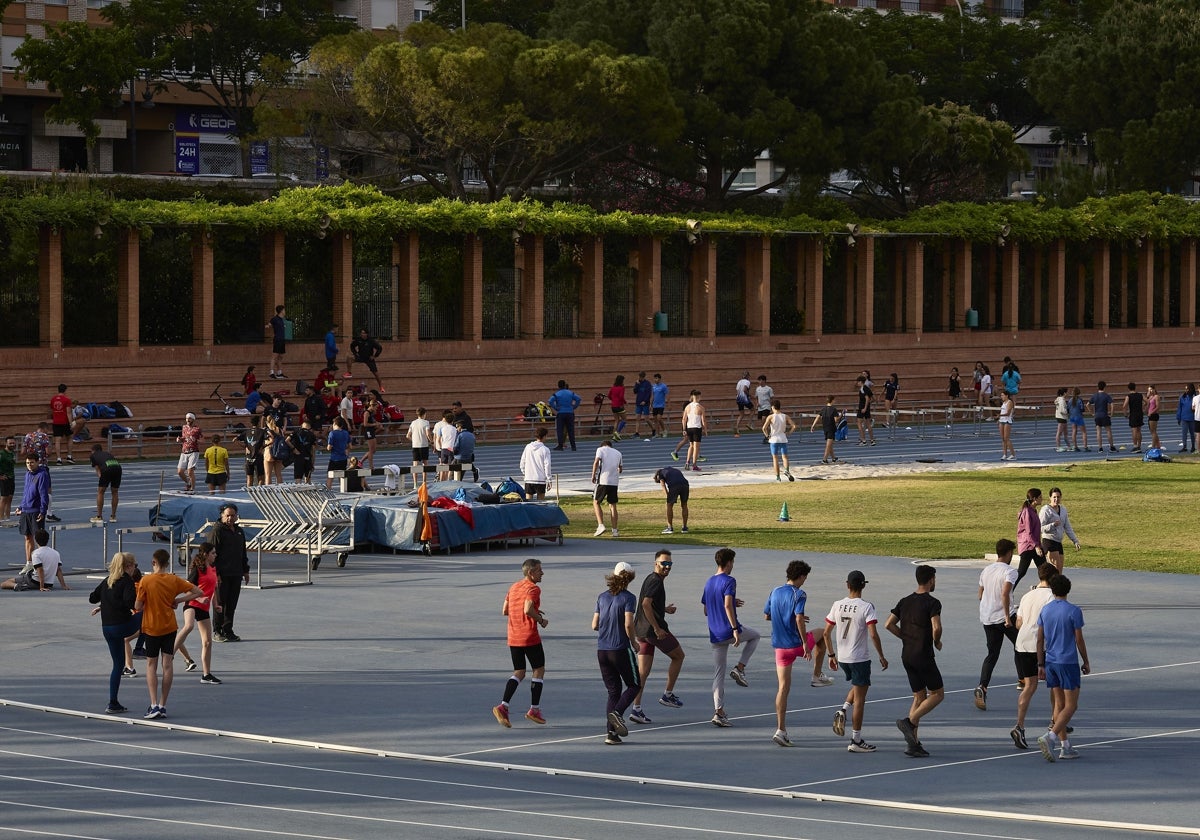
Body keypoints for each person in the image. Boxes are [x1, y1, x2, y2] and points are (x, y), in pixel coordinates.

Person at [763, 560, 831, 748]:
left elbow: (767, 615)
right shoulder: (799, 594)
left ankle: (780, 730)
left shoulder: (775, 591)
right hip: (795, 644)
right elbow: (800, 618)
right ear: (800, 576)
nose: (805, 581)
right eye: (805, 577)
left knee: (783, 688)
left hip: (780, 648)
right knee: (822, 634)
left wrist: (789, 618)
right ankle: (817, 675)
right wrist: (804, 644)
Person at [135, 549, 204, 719]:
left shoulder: (146, 580)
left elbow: (138, 606)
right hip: (169, 627)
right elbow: (198, 592)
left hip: (151, 627)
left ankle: (153, 704)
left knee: (151, 665)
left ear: (154, 562)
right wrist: (178, 600)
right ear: (167, 563)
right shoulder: (174, 580)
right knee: (167, 665)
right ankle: (163, 704)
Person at [824, 570, 888, 752]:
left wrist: (831, 655)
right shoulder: (866, 607)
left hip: (843, 657)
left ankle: (843, 709)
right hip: (859, 658)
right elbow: (873, 634)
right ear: (864, 586)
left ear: (847, 585)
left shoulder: (837, 605)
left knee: (857, 685)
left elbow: (827, 632)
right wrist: (881, 655)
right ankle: (856, 740)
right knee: (860, 699)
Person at [885, 565, 943, 758]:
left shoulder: (905, 601)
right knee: (937, 694)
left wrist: (904, 637)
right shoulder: (932, 603)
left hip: (907, 655)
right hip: (923, 655)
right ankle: (910, 722)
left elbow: (888, 624)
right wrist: (936, 641)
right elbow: (936, 627)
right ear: (931, 580)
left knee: (918, 696)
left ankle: (913, 744)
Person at [701, 547, 761, 728]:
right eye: (732, 562)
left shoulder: (709, 581)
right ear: (728, 563)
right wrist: (735, 628)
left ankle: (718, 712)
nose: (733, 565)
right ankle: (740, 668)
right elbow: (727, 605)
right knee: (755, 636)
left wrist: (729, 602)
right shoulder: (729, 581)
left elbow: (706, 609)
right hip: (728, 630)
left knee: (718, 673)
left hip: (715, 634)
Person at [1036, 574, 1091, 762]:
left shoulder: (1045, 610)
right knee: (1071, 705)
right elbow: (1079, 639)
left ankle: (1065, 747)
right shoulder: (1074, 611)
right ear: (1068, 590)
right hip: (1067, 662)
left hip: (1050, 662)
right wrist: (1086, 660)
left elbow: (1040, 639)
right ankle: (1050, 737)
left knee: (1058, 704)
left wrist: (1040, 663)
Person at [628, 550, 685, 724]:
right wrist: (657, 627)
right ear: (656, 564)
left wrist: (664, 609)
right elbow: (645, 604)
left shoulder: (650, 579)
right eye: (663, 564)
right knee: (678, 656)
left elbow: (650, 603)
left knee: (642, 673)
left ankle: (636, 709)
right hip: (653, 632)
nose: (667, 567)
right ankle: (668, 694)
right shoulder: (656, 582)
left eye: (669, 564)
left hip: (641, 633)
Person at [493, 558, 550, 727]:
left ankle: (503, 705)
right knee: (539, 669)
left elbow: (505, 610)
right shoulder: (533, 588)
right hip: (529, 635)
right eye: (539, 570)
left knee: (519, 671)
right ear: (531, 573)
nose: (542, 573)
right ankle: (534, 709)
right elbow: (527, 609)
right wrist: (540, 619)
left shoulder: (514, 586)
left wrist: (533, 611)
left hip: (513, 635)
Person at [1010, 563, 1057, 750]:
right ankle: (1055, 721)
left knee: (1029, 686)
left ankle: (1019, 725)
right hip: (1041, 645)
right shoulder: (1051, 597)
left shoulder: (1027, 595)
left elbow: (1018, 623)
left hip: (1021, 643)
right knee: (1055, 685)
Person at [89, 552, 142, 713]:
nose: (135, 569)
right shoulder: (127, 581)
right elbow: (130, 603)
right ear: (128, 566)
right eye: (135, 566)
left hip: (107, 628)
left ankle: (113, 702)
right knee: (146, 614)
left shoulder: (107, 580)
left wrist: (105, 604)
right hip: (123, 625)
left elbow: (93, 597)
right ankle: (140, 648)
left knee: (118, 665)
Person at [593, 561, 640, 745]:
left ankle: (611, 734)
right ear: (630, 579)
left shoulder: (602, 597)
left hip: (602, 650)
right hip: (620, 649)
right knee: (634, 685)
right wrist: (634, 643)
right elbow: (628, 623)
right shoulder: (629, 598)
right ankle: (617, 713)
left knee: (613, 691)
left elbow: (594, 624)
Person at [974, 538, 1019, 712]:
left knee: (992, 654)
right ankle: (1022, 679)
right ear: (1008, 553)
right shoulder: (1010, 571)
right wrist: (1008, 618)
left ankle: (982, 686)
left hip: (987, 617)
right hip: (1003, 616)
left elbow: (980, 594)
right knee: (1020, 645)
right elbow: (1005, 594)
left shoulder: (986, 570)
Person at [174, 542, 222, 685]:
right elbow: (187, 589)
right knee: (188, 626)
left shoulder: (213, 568)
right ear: (206, 554)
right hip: (192, 604)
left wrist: (216, 605)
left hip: (204, 608)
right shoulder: (197, 570)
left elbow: (213, 589)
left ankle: (206, 674)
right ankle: (169, 654)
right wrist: (200, 597)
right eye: (213, 553)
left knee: (207, 642)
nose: (215, 555)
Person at [210, 504, 250, 642]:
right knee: (220, 603)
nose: (230, 518)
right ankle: (217, 631)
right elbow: (211, 554)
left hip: (236, 573)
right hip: (222, 575)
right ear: (222, 515)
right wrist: (215, 573)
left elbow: (242, 552)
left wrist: (245, 570)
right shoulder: (217, 531)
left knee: (231, 604)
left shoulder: (239, 531)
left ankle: (228, 629)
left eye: (233, 515)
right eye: (227, 515)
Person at [2, 527, 69, 591]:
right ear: (48, 540)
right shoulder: (56, 553)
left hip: (35, 581)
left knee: (5, 583)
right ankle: (22, 584)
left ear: (36, 540)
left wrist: (41, 586)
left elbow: (40, 570)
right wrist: (63, 585)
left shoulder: (36, 553)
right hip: (49, 583)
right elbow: (58, 570)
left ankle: (17, 585)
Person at [16, 456, 50, 567]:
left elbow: (43, 494)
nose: (29, 465)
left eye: (31, 462)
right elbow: (26, 492)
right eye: (27, 463)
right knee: (27, 537)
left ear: (37, 462)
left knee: (39, 539)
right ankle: (29, 563)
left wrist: (43, 510)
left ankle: (41, 564)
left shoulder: (42, 474)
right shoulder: (27, 474)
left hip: (36, 510)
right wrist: (21, 506)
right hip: (26, 510)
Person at [1039, 486, 1080, 573]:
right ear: (1050, 498)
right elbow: (1040, 528)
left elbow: (1067, 527)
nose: (1056, 499)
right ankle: (1050, 586)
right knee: (1056, 567)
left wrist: (1075, 541)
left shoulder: (1063, 510)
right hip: (1049, 540)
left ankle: (1043, 585)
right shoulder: (1046, 510)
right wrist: (1052, 525)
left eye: (1058, 497)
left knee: (1059, 569)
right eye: (1054, 497)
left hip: (1058, 541)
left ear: (1061, 497)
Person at [591, 439, 623, 537]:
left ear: (603, 445)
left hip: (603, 480)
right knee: (613, 505)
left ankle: (601, 525)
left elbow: (596, 462)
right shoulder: (618, 453)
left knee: (596, 502)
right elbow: (620, 469)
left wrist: (593, 475)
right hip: (614, 481)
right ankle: (615, 530)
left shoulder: (600, 450)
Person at [1015, 488, 1045, 586]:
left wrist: (1038, 545)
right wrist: (1036, 546)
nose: (1042, 499)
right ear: (1035, 499)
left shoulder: (1033, 511)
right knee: (1021, 572)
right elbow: (1028, 532)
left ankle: (1047, 592)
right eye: (1040, 497)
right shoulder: (1027, 512)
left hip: (1035, 546)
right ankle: (1007, 591)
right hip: (1027, 547)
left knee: (1045, 571)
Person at [763, 399, 796, 481]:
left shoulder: (770, 417)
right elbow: (794, 426)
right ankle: (787, 470)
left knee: (775, 459)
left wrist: (767, 436)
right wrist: (789, 433)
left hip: (774, 439)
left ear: (773, 407)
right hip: (783, 438)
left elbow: (764, 428)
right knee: (785, 457)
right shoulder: (785, 416)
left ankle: (778, 478)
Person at [89, 442, 121, 523]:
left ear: (93, 450)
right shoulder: (107, 453)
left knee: (101, 492)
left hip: (107, 469)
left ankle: (99, 516)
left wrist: (102, 481)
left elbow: (98, 470)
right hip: (117, 468)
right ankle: (113, 517)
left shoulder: (93, 456)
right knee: (115, 492)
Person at [652, 466, 689, 534]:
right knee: (684, 505)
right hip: (685, 484)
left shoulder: (660, 473)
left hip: (674, 485)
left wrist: (668, 496)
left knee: (669, 505)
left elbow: (663, 485)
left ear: (657, 475)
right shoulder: (675, 469)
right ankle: (684, 528)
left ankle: (670, 528)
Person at [520, 427, 552, 500]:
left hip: (529, 478)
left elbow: (522, 462)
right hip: (540, 479)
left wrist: (525, 473)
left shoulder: (528, 447)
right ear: (544, 436)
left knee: (528, 503)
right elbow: (547, 465)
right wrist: (549, 479)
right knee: (540, 503)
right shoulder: (545, 449)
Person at [549, 379, 581, 451]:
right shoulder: (570, 393)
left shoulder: (557, 394)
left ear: (558, 386)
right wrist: (574, 406)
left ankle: (560, 445)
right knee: (571, 430)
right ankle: (573, 446)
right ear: (564, 385)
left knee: (560, 430)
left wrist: (556, 408)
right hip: (570, 412)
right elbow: (578, 399)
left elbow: (550, 401)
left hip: (561, 413)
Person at [679, 389, 707, 471]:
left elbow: (684, 419)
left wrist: (684, 429)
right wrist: (705, 430)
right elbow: (703, 420)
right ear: (698, 397)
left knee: (691, 445)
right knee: (696, 447)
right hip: (697, 428)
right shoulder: (700, 407)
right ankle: (694, 465)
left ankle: (687, 462)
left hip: (689, 428)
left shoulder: (687, 407)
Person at [175, 413, 203, 493]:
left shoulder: (197, 429)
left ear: (193, 419)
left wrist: (196, 440)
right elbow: (183, 437)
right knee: (180, 472)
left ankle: (192, 488)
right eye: (187, 418)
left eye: (189, 418)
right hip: (184, 451)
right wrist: (179, 439)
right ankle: (188, 483)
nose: (188, 420)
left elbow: (203, 440)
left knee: (190, 471)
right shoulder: (184, 427)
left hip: (193, 451)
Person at [262, 414, 293, 485]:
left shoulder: (266, 430)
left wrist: (264, 445)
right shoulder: (280, 430)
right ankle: (280, 489)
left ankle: (269, 491)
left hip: (269, 452)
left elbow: (270, 441)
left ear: (266, 422)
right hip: (279, 452)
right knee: (278, 474)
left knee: (268, 475)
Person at [811, 394, 841, 464]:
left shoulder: (823, 409)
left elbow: (817, 417)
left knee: (829, 444)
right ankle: (824, 459)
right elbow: (836, 420)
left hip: (825, 428)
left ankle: (833, 458)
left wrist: (813, 425)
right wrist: (841, 415)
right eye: (834, 400)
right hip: (831, 428)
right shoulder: (834, 409)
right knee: (828, 445)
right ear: (832, 400)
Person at [49, 383, 74, 464]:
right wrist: (71, 423)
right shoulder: (67, 400)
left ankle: (59, 459)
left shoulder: (53, 399)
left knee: (57, 441)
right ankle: (69, 456)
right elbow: (69, 412)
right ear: (65, 390)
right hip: (65, 422)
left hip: (56, 422)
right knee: (70, 438)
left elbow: (52, 410)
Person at [325, 416, 351, 489]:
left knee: (330, 476)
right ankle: (343, 490)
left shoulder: (332, 433)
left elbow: (329, 447)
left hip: (334, 458)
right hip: (343, 458)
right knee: (342, 476)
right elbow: (350, 446)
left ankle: (328, 490)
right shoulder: (346, 433)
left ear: (334, 424)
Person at [1089, 380, 1115, 452]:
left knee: (1098, 431)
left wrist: (1092, 413)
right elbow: (1112, 404)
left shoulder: (1094, 396)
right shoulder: (1106, 395)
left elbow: (1088, 404)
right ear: (1104, 387)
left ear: (1098, 387)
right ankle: (1112, 447)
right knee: (1108, 431)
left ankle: (1100, 448)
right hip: (1104, 415)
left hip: (1097, 415)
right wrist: (1111, 414)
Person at [432, 410, 458, 481]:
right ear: (452, 421)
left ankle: (441, 480)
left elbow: (438, 439)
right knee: (450, 467)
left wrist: (440, 447)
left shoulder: (442, 428)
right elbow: (456, 440)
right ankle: (448, 480)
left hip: (443, 448)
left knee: (443, 466)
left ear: (445, 420)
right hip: (450, 449)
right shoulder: (455, 429)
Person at [242, 416, 266, 487]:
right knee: (261, 478)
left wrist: (245, 446)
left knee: (249, 478)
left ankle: (249, 493)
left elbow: (235, 439)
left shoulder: (246, 432)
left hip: (248, 457)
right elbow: (272, 439)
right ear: (258, 422)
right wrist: (263, 447)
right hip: (258, 456)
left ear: (251, 423)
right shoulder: (262, 432)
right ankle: (260, 493)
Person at [266, 304, 287, 380]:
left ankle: (279, 372)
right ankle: (271, 372)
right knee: (274, 356)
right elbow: (270, 324)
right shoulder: (275, 319)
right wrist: (268, 326)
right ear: (281, 311)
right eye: (284, 310)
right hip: (277, 339)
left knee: (280, 356)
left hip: (282, 340)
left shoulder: (282, 319)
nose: (285, 311)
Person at [360, 395, 380, 471]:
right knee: (371, 450)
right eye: (376, 407)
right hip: (368, 431)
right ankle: (371, 466)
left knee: (374, 450)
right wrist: (374, 424)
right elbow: (365, 424)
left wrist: (377, 423)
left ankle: (361, 461)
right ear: (372, 406)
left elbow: (373, 421)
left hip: (371, 431)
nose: (376, 409)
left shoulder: (371, 413)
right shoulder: (367, 413)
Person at [1122, 382, 1144, 452]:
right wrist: (1144, 408)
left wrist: (1125, 414)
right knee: (1139, 430)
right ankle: (1139, 446)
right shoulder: (1140, 395)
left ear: (1129, 388)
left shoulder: (1128, 396)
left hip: (1133, 414)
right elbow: (1147, 401)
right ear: (1135, 387)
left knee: (1134, 430)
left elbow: (1124, 406)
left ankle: (1135, 446)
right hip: (1140, 414)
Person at [855, 375, 876, 446]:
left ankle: (863, 440)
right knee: (868, 424)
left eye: (858, 382)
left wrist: (865, 407)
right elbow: (873, 399)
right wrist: (868, 405)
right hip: (866, 409)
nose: (857, 383)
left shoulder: (863, 388)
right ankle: (872, 440)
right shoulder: (867, 388)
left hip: (862, 408)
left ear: (861, 382)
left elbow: (867, 398)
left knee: (859, 423)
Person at [631, 371, 653, 438]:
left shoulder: (647, 383)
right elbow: (635, 391)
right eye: (639, 377)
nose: (639, 378)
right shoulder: (638, 383)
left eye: (640, 377)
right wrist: (637, 385)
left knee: (646, 419)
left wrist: (645, 401)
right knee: (637, 418)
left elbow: (649, 393)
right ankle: (637, 432)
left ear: (643, 377)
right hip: (638, 403)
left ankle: (653, 429)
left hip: (645, 403)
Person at [754, 375, 774, 445]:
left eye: (762, 380)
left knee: (764, 420)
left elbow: (772, 398)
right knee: (763, 424)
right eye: (759, 380)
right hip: (760, 408)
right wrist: (757, 403)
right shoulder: (757, 389)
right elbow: (756, 397)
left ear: (764, 381)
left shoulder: (769, 389)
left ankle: (767, 437)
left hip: (767, 406)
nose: (760, 381)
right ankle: (768, 435)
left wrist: (772, 407)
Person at [606, 375, 627, 441]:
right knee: (624, 420)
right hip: (619, 406)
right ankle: (617, 433)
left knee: (616, 420)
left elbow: (609, 396)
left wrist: (613, 400)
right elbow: (621, 397)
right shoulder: (622, 388)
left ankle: (614, 435)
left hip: (613, 406)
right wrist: (625, 402)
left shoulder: (613, 387)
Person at [1067, 386, 1089, 451]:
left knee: (1074, 431)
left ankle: (1075, 446)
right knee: (1084, 432)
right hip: (1079, 417)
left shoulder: (1070, 400)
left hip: (1072, 417)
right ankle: (1085, 446)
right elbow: (1082, 409)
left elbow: (1067, 409)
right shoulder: (1079, 400)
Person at [1176, 383, 1196, 452]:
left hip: (1192, 418)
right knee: (1184, 433)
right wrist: (1178, 418)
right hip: (1184, 418)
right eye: (1185, 389)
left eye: (1187, 389)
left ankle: (1193, 446)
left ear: (1191, 389)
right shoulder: (1182, 397)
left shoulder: (1195, 397)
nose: (1186, 390)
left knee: (1192, 434)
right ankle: (1184, 446)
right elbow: (1179, 408)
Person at [0, 435, 15, 523]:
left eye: (13, 443)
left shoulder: (12, 453)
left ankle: (8, 517)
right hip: (4, 478)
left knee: (10, 498)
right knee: (3, 498)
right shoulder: (2, 454)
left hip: (11, 478)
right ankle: (1, 518)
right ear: (6, 443)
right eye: (10, 443)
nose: (12, 444)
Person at [649, 373, 669, 438]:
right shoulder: (653, 386)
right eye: (654, 378)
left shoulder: (663, 386)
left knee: (659, 418)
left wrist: (669, 404)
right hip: (655, 405)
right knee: (655, 420)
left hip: (661, 405)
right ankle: (657, 433)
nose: (655, 380)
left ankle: (664, 430)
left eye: (656, 378)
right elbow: (653, 396)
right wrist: (650, 404)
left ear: (659, 379)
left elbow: (667, 396)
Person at [998, 390, 1016, 461]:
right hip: (1001, 420)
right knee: (1003, 438)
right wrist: (999, 418)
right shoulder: (1003, 403)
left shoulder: (1009, 402)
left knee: (1006, 438)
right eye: (1001, 395)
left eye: (1002, 395)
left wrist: (999, 415)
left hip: (1007, 421)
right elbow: (1002, 411)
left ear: (1006, 395)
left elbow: (1008, 413)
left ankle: (1013, 454)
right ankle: (1004, 454)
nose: (1001, 397)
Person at [733, 371, 752, 436]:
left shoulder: (739, 381)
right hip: (744, 398)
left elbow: (737, 391)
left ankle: (737, 426)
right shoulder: (747, 382)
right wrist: (749, 395)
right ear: (748, 376)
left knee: (741, 414)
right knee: (753, 409)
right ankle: (749, 423)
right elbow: (744, 389)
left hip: (738, 398)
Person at [1053, 387, 1070, 452]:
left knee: (1065, 432)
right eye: (1067, 392)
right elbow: (1062, 410)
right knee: (1059, 432)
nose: (1067, 393)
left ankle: (1069, 446)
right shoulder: (1062, 400)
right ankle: (1058, 447)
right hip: (1061, 417)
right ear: (1064, 393)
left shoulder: (1058, 399)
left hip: (1062, 417)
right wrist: (1068, 411)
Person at [1146, 384, 1162, 451]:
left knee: (1153, 432)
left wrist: (1151, 412)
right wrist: (1148, 396)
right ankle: (1158, 445)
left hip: (1154, 415)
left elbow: (1158, 407)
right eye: (1149, 390)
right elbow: (1147, 405)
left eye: (1151, 389)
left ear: (1154, 389)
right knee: (1152, 431)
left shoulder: (1156, 397)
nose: (1150, 391)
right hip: (1150, 415)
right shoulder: (1150, 397)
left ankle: (1153, 446)